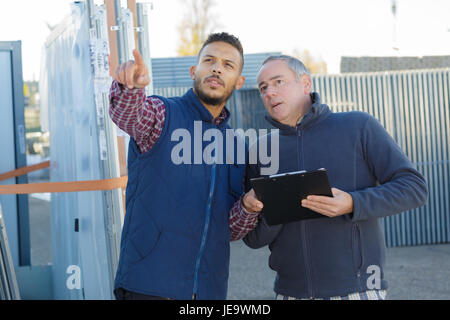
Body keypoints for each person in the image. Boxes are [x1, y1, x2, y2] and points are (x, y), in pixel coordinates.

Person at [232, 55, 428, 300]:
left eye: (278, 81)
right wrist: (276, 207)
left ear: (305, 83)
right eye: (263, 87)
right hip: (290, 293)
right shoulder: (261, 151)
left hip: (357, 291)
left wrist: (352, 203)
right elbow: (254, 239)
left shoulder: (357, 126)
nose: (269, 92)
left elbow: (414, 188)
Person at [109, 32, 257, 300]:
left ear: (239, 82)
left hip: (208, 292)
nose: (216, 68)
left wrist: (248, 207)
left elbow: (230, 229)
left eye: (228, 65)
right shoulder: (163, 115)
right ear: (194, 70)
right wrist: (131, 89)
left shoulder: (237, 146)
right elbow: (130, 116)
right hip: (149, 287)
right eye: (209, 60)